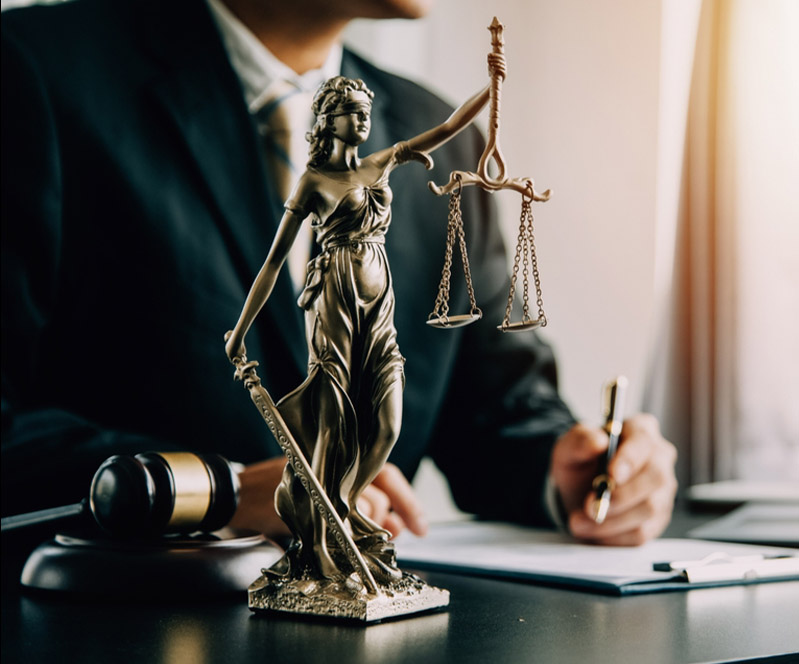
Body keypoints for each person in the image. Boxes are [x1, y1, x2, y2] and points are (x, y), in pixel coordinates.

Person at [1, 0, 677, 549]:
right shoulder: (34, 71)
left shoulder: (431, 131)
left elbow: (495, 413)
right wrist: (224, 489)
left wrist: (572, 476)